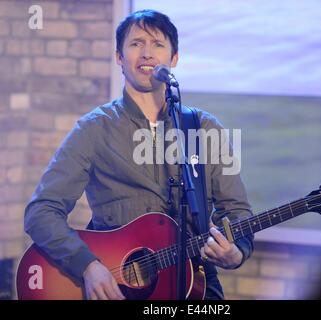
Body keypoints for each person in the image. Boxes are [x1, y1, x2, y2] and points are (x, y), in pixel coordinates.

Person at [24, 9, 254, 300]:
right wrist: (88, 266)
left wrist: (235, 253)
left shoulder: (205, 129)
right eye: (136, 44)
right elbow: (40, 213)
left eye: (158, 44)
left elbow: (237, 212)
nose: (147, 53)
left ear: (174, 60)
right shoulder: (93, 129)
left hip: (196, 282)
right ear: (119, 57)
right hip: (116, 286)